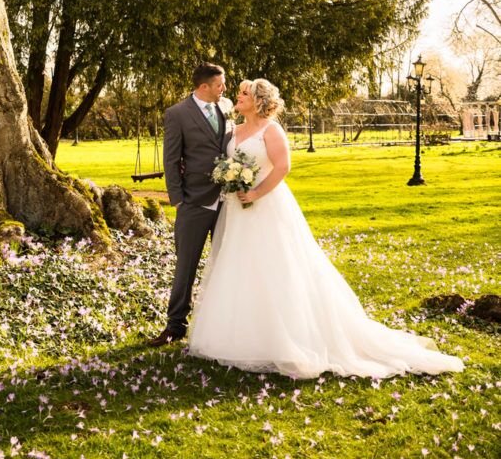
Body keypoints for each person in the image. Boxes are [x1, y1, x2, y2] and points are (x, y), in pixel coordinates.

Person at [188, 78, 465, 378]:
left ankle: (284, 337)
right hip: (237, 209)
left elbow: (282, 167)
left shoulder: (271, 130)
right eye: (240, 93)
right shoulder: (234, 130)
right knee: (239, 265)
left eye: (244, 93)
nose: (238, 97)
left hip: (266, 205)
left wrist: (255, 193)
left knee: (274, 266)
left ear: (258, 101)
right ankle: (237, 336)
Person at [148, 62, 234, 346]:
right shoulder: (177, 114)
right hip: (193, 202)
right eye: (220, 84)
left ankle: (226, 324)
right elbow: (171, 159)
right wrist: (178, 200)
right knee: (186, 267)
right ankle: (175, 325)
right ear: (204, 86)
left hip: (227, 201)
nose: (224, 89)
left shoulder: (226, 108)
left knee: (228, 263)